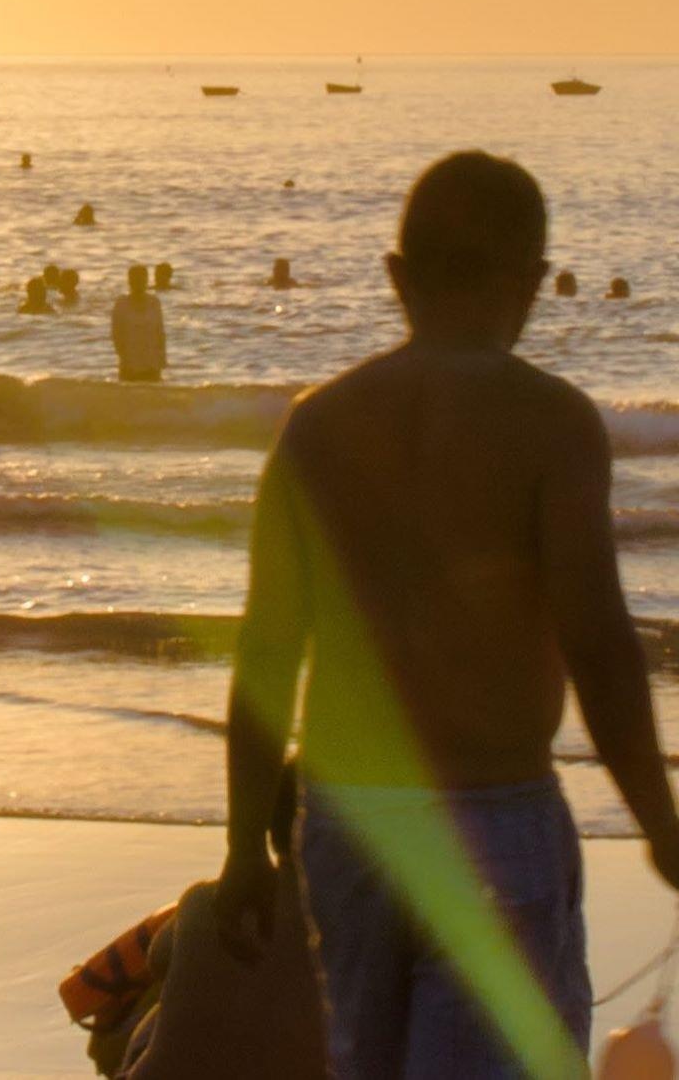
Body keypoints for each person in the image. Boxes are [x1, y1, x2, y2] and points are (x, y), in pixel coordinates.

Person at [218, 151, 679, 1079]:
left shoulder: (317, 425)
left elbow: (267, 654)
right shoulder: (552, 423)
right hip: (493, 820)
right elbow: (597, 643)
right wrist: (660, 822)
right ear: (532, 282)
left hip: (350, 828)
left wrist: (241, 851)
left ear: (397, 276)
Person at [63, 764, 322, 1079]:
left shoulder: (208, 900)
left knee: (164, 991)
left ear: (267, 825)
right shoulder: (344, 921)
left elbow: (157, 961)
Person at [111, 265, 167, 382]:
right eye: (135, 280)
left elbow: (160, 332)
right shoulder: (121, 304)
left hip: (152, 363)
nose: (138, 283)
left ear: (146, 280)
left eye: (142, 279)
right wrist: (123, 357)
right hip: (130, 364)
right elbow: (116, 335)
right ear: (129, 281)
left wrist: (162, 358)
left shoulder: (154, 302)